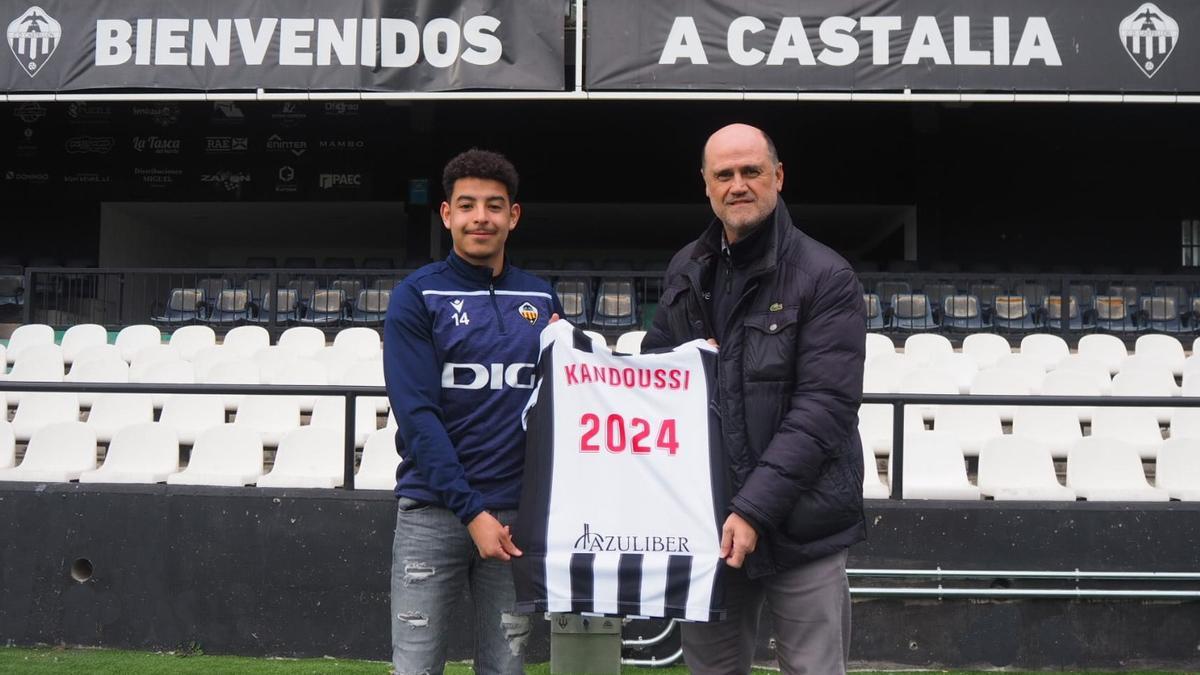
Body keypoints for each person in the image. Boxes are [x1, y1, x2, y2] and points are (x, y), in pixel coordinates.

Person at [642, 123, 867, 674]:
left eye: (751, 171)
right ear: (706, 185)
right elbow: (652, 376)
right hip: (707, 525)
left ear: (778, 177)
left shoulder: (827, 276)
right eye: (724, 174)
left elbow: (823, 411)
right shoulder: (686, 269)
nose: (737, 184)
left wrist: (752, 508)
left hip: (803, 524)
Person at [384, 149, 562, 675]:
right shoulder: (416, 296)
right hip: (433, 513)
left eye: (493, 205)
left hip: (515, 521)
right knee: (416, 667)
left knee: (505, 669)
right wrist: (471, 511)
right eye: (467, 205)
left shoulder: (541, 296)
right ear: (446, 214)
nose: (480, 216)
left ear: (514, 216)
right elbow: (417, 417)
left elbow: (570, 396)